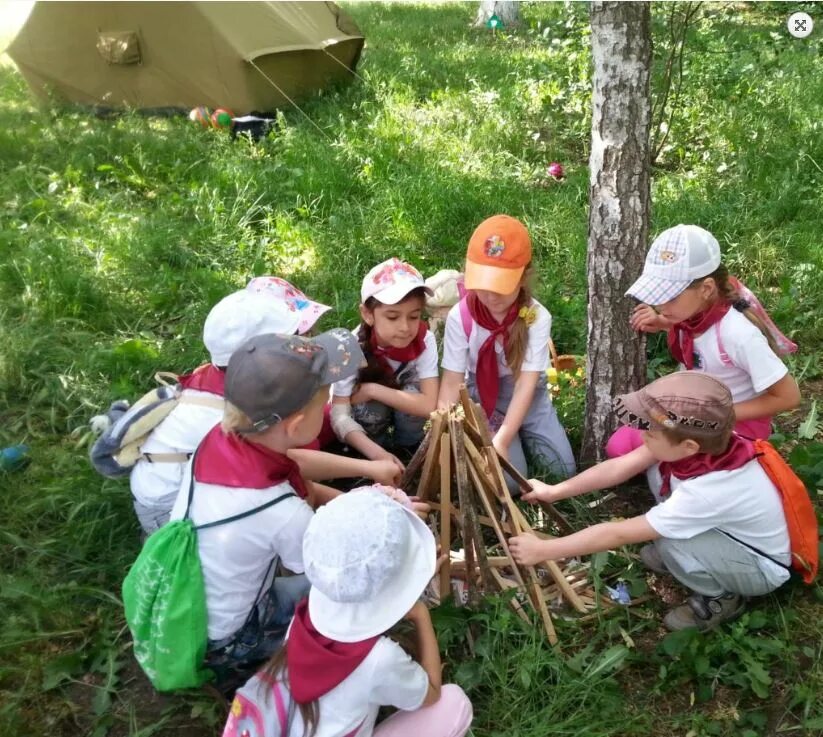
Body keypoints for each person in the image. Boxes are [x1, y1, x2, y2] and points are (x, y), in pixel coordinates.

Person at [509, 371, 792, 632]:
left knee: (670, 540)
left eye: (650, 433)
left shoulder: (707, 491)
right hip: (728, 535)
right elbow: (620, 467)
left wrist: (544, 549)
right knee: (656, 476)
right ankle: (696, 557)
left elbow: (618, 533)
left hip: (760, 567)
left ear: (688, 446)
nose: (642, 435)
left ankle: (721, 597)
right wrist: (555, 490)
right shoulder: (701, 447)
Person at [168, 329, 365, 685]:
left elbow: (295, 463)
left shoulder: (221, 437)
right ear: (296, 425)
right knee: (353, 596)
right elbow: (328, 569)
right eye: (322, 404)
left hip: (188, 603)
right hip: (226, 638)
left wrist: (363, 487)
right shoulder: (280, 511)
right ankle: (247, 669)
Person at [223, 488, 473, 737]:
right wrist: (421, 614)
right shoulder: (379, 659)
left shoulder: (308, 614)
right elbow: (431, 693)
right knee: (454, 703)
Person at [607, 224, 800, 458]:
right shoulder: (692, 315)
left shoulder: (738, 334)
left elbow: (789, 396)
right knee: (619, 446)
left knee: (653, 456)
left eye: (670, 297)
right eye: (657, 296)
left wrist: (718, 414)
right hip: (695, 413)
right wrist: (665, 322)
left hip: (732, 427)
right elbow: (698, 331)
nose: (660, 306)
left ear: (707, 288)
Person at [130, 290, 302, 534]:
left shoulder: (223, 377)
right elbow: (290, 462)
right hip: (169, 508)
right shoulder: (234, 416)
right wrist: (367, 470)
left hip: (184, 481)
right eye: (292, 344)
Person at [437, 215, 575, 491]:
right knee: (510, 483)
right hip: (485, 398)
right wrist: (444, 429)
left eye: (501, 286)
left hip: (528, 396)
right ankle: (512, 440)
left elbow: (526, 384)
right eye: (483, 285)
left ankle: (520, 434)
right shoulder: (460, 317)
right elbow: (452, 381)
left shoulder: (535, 317)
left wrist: (502, 440)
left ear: (524, 277)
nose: (490, 296)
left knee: (562, 470)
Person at [330, 258, 440, 470]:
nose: (405, 327)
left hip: (401, 405)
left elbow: (428, 406)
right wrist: (377, 454)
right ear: (367, 314)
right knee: (367, 407)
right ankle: (372, 453)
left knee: (411, 393)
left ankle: (408, 449)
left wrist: (372, 389)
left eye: (414, 316)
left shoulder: (425, 340)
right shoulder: (347, 348)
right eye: (392, 317)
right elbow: (339, 415)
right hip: (366, 437)